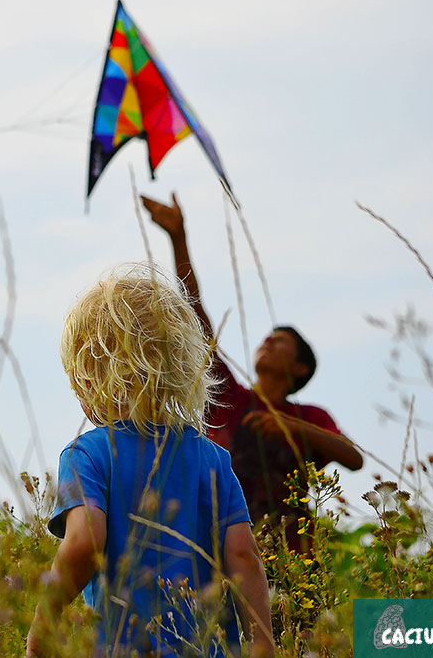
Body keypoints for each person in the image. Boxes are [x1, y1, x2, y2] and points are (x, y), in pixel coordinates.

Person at [27, 263, 273, 658]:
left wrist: (43, 628)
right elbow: (243, 554)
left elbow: (84, 542)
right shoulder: (213, 459)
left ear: (87, 378)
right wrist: (264, 642)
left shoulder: (85, 455)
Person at [140, 193, 364, 552]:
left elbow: (354, 458)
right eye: (267, 337)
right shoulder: (229, 395)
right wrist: (178, 238)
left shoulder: (310, 417)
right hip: (217, 548)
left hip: (292, 557)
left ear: (299, 367)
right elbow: (195, 315)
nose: (267, 341)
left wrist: (289, 427)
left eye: (279, 341)